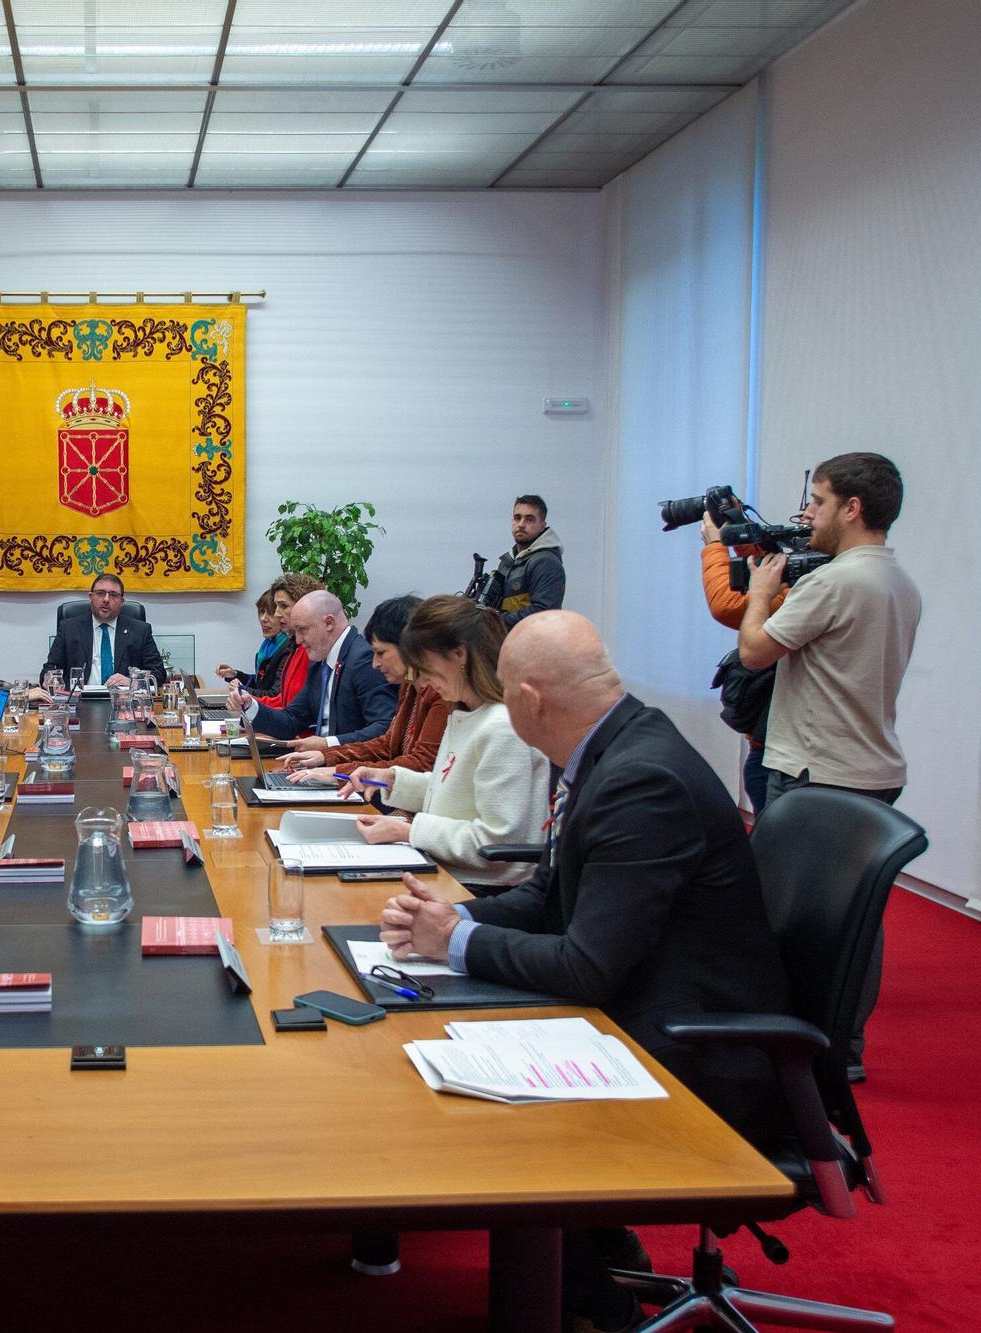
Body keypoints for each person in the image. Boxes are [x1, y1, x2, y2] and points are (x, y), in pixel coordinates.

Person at [379, 611, 790, 1333]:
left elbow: (588, 964)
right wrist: (452, 921)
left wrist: (457, 944)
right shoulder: (615, 747)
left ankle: (606, 1311)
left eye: (506, 692)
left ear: (532, 700)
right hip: (652, 1003)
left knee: (478, 1114)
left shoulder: (641, 780)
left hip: (698, 1049)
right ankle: (606, 1246)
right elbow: (552, 892)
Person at [739, 451, 920, 1080]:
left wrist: (761, 593)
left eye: (817, 501)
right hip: (870, 764)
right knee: (858, 918)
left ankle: (795, 1042)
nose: (807, 514)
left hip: (815, 770)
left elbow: (756, 650)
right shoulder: (899, 581)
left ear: (852, 508)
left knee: (789, 916)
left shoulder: (836, 581)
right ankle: (841, 1048)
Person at [334, 597, 549, 887]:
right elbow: (453, 795)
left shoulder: (501, 727)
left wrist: (408, 830)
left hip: (479, 887)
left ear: (460, 655)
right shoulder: (464, 713)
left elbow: (498, 843)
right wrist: (392, 780)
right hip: (448, 873)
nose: (421, 678)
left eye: (426, 665)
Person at [281, 594, 447, 783]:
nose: (375, 664)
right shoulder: (409, 686)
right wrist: (326, 757)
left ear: (410, 646)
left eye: (380, 653)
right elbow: (387, 744)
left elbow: (422, 764)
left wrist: (340, 772)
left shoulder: (440, 693)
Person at [226, 589, 396, 750]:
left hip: (348, 769)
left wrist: (328, 744)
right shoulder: (320, 662)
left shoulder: (362, 659)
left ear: (329, 623)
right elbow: (292, 720)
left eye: (303, 630)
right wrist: (250, 706)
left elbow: (384, 726)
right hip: (319, 765)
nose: (298, 640)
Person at [700, 510, 787, 812]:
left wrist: (715, 543)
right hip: (776, 745)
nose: (807, 515)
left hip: (778, 754)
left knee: (777, 852)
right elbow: (769, 568)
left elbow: (728, 607)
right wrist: (736, 521)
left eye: (816, 503)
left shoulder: (818, 583)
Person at [40, 572, 166, 686]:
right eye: (100, 593)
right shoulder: (69, 628)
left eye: (113, 595)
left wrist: (133, 682)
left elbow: (159, 673)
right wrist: (51, 680)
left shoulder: (140, 630)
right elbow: (49, 669)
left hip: (124, 702)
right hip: (80, 702)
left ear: (121, 601)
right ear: (90, 597)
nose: (106, 599)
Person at [220, 572, 321, 708]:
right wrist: (237, 678)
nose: (277, 614)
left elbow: (282, 701)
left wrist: (245, 695)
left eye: (283, 606)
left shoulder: (305, 649)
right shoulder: (292, 646)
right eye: (261, 612)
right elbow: (282, 699)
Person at [486, 494, 565, 626]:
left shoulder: (546, 562)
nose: (521, 524)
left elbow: (543, 614)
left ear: (542, 526)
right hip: (506, 641)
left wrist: (495, 621)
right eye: (517, 518)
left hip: (532, 643)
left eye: (529, 519)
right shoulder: (507, 561)